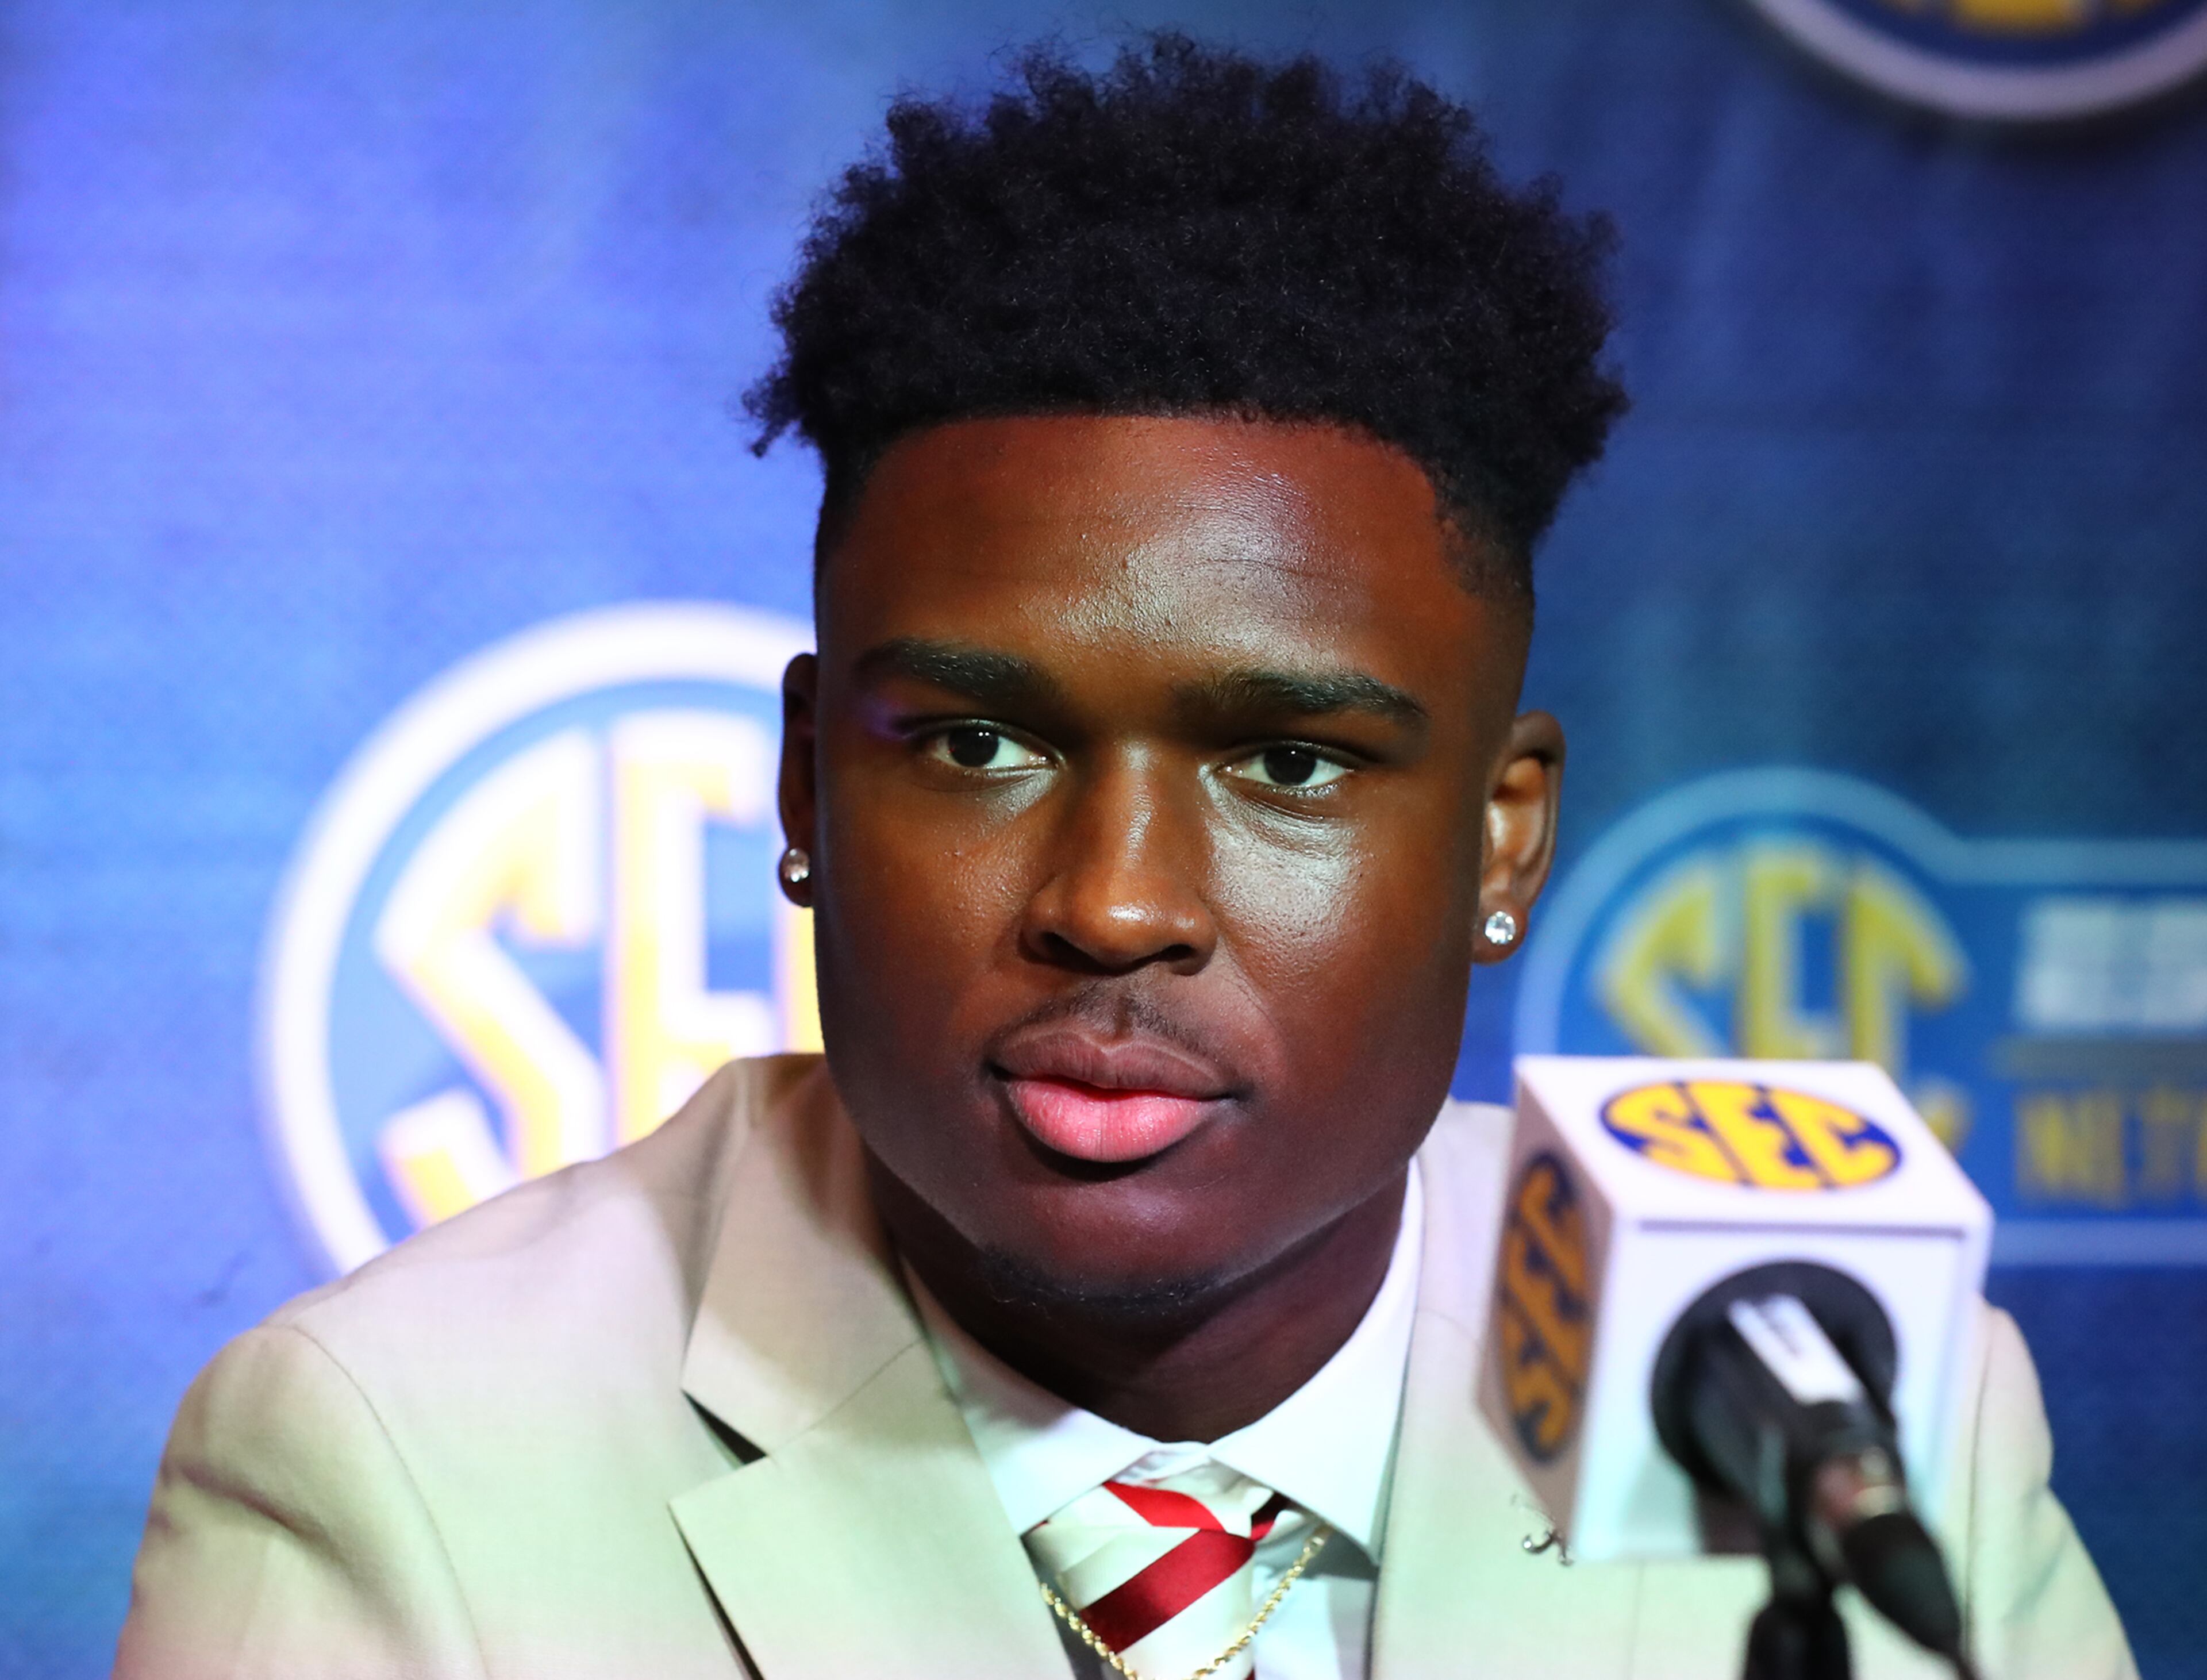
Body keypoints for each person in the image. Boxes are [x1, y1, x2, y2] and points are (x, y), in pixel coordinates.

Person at [114, 35, 2131, 1680]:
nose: (1119, 901)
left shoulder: (1837, 1419)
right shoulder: (405, 1463)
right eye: (978, 742)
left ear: (1501, 836)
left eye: (1285, 761)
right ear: (810, 792)